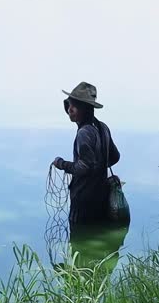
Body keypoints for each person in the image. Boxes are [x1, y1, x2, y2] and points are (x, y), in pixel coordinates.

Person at [52, 82, 121, 225]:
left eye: (74, 106)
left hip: (83, 202)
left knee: (78, 242)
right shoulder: (102, 127)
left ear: (85, 109)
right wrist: (97, 167)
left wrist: (61, 164)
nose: (70, 109)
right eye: (68, 105)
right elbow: (115, 157)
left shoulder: (84, 133)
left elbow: (83, 168)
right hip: (102, 198)